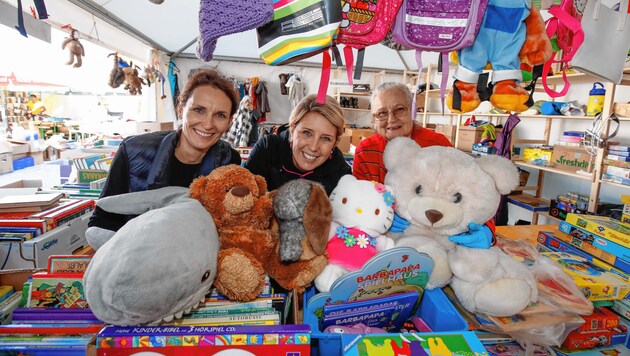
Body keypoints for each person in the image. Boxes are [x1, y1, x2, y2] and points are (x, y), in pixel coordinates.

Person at [86, 69, 241, 249]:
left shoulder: (229, 161)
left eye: (220, 115)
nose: (207, 124)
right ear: (181, 109)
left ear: (230, 122)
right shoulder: (133, 151)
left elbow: (230, 228)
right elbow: (103, 221)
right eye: (199, 110)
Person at [353, 82, 495, 249]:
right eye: (381, 113)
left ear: (412, 110)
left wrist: (488, 230)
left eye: (399, 109)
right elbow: (359, 203)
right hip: (384, 240)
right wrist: (382, 215)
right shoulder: (365, 150)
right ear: (373, 119)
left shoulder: (437, 144)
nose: (391, 119)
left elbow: (472, 190)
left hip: (437, 239)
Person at [245, 94, 351, 195]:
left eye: (325, 138)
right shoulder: (267, 149)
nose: (313, 147)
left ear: (335, 143)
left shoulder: (341, 174)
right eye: (307, 133)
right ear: (292, 129)